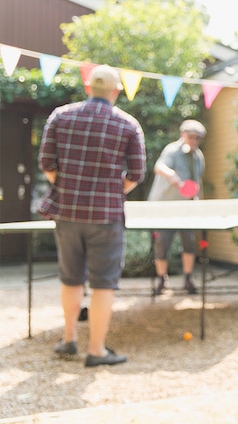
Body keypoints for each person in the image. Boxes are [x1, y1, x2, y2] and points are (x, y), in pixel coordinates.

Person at [37, 64, 146, 367]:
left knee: (70, 278)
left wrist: (69, 187)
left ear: (88, 87)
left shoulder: (60, 116)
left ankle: (69, 339)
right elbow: (136, 173)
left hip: (67, 213)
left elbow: (46, 163)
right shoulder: (128, 125)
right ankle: (96, 351)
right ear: (116, 92)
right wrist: (112, 192)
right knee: (103, 284)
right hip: (107, 216)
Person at [147, 119, 207, 295]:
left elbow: (197, 182)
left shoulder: (198, 157)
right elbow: (159, 167)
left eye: (198, 138)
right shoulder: (171, 150)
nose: (194, 141)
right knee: (161, 244)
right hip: (164, 207)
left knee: (189, 242)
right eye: (191, 137)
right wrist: (172, 175)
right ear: (183, 135)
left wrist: (199, 202)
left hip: (186, 208)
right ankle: (162, 280)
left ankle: (188, 278)